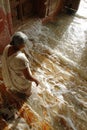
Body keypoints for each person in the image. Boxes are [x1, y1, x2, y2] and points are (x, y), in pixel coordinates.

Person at [1, 31, 39, 97]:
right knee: (27, 91)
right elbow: (27, 77)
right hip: (18, 82)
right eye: (23, 43)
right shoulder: (21, 58)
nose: (24, 45)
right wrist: (35, 80)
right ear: (20, 45)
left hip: (8, 78)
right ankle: (26, 97)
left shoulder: (7, 47)